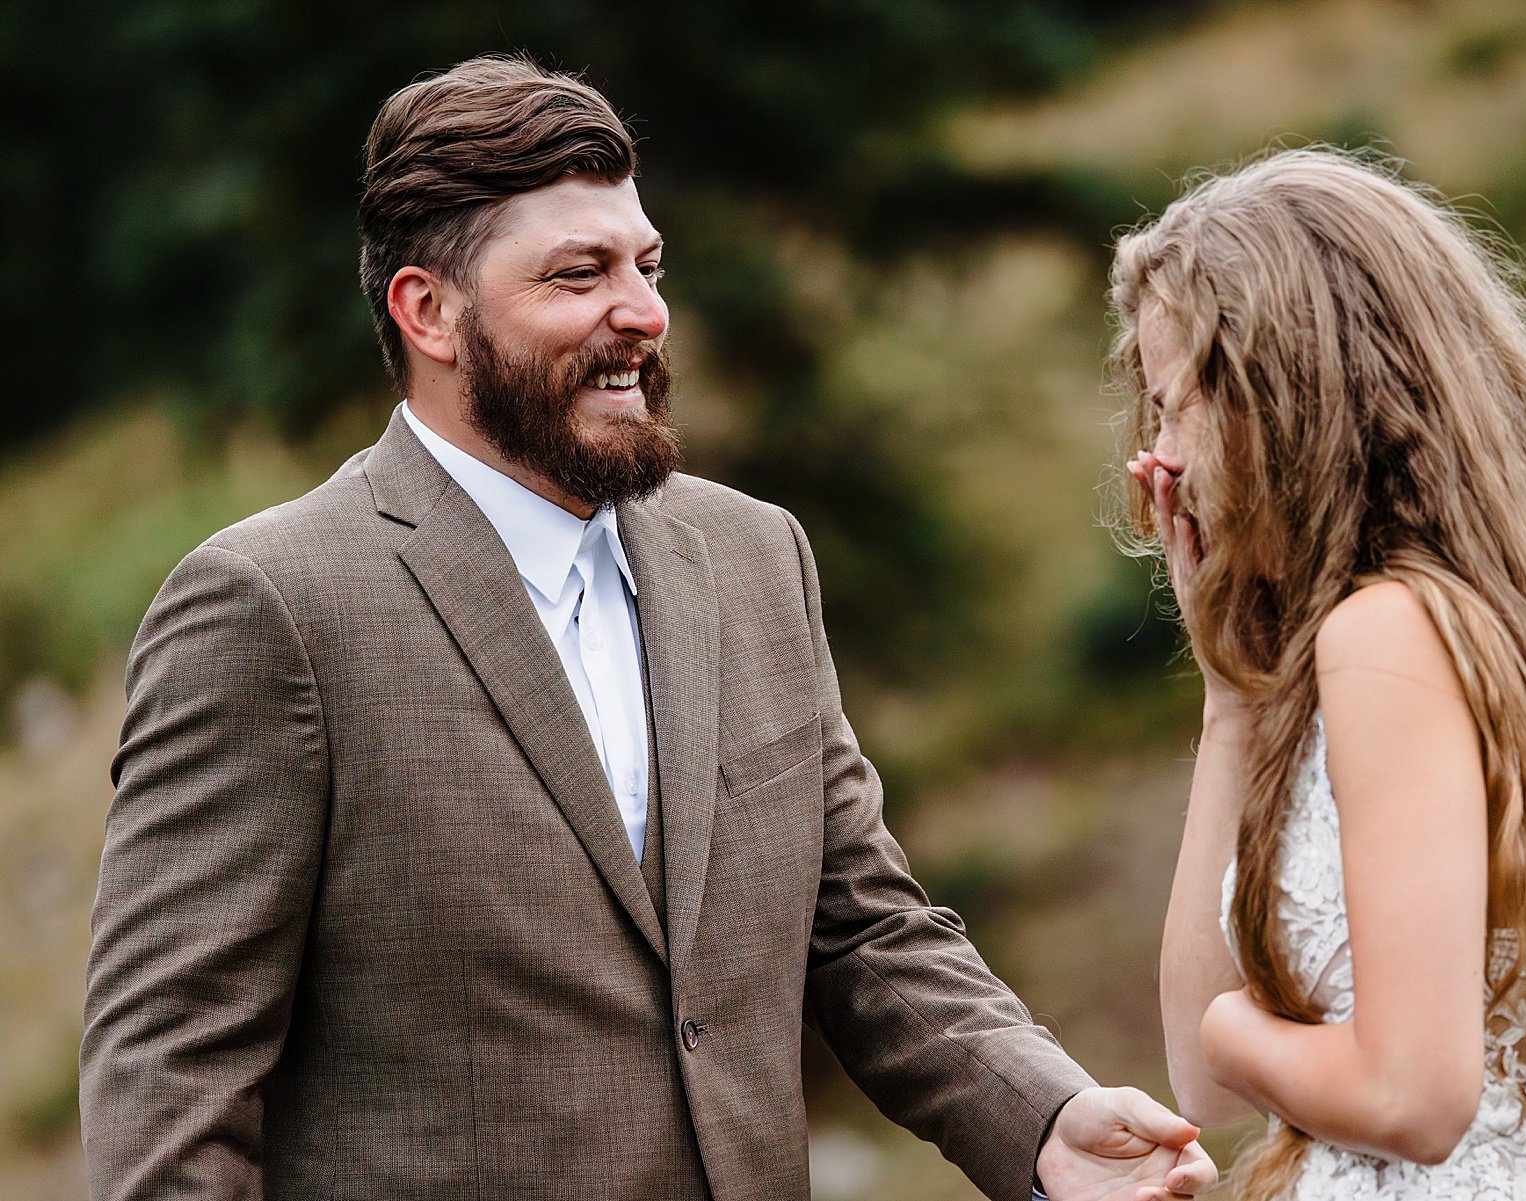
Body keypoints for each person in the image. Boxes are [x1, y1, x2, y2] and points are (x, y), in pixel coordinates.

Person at [78, 55, 1219, 1201]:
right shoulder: (268, 607)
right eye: (578, 275)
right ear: (428, 311)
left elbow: (861, 925)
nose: (644, 311)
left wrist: (1044, 1118)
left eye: (646, 264)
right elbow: (168, 1082)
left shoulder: (755, 556)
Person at [1110, 148, 1526, 1200]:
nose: (1164, 459)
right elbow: (1200, 1081)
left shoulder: (1388, 636)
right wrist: (1231, 700)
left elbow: (1410, 1096)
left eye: (1175, 401)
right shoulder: (1392, 640)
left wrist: (1238, 1030)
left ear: (1287, 396)